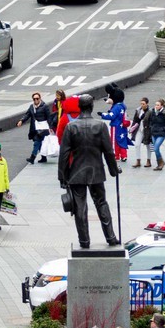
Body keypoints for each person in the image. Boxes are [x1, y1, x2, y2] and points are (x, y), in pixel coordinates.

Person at [56, 93, 121, 247]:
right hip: (96, 171)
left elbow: (63, 154)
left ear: (79, 107)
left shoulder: (71, 127)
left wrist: (62, 176)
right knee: (102, 203)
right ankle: (111, 237)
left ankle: (84, 241)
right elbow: (108, 151)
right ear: (92, 107)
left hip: (76, 172)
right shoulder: (100, 126)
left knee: (80, 207)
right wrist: (113, 170)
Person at [19, 91, 54, 164]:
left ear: (40, 98)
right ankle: (43, 157)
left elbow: (49, 117)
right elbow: (27, 115)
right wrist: (21, 121)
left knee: (37, 142)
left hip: (43, 128)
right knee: (39, 143)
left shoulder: (44, 106)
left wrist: (50, 127)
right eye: (34, 99)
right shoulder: (31, 107)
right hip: (35, 128)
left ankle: (32, 158)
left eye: (37, 98)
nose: (36, 100)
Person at [146, 98, 165, 170]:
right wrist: (151, 127)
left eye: (158, 105)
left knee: (156, 148)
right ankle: (160, 163)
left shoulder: (164, 113)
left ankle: (161, 163)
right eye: (155, 105)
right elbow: (150, 120)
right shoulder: (153, 112)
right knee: (156, 149)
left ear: (161, 106)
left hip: (161, 133)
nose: (156, 106)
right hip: (153, 133)